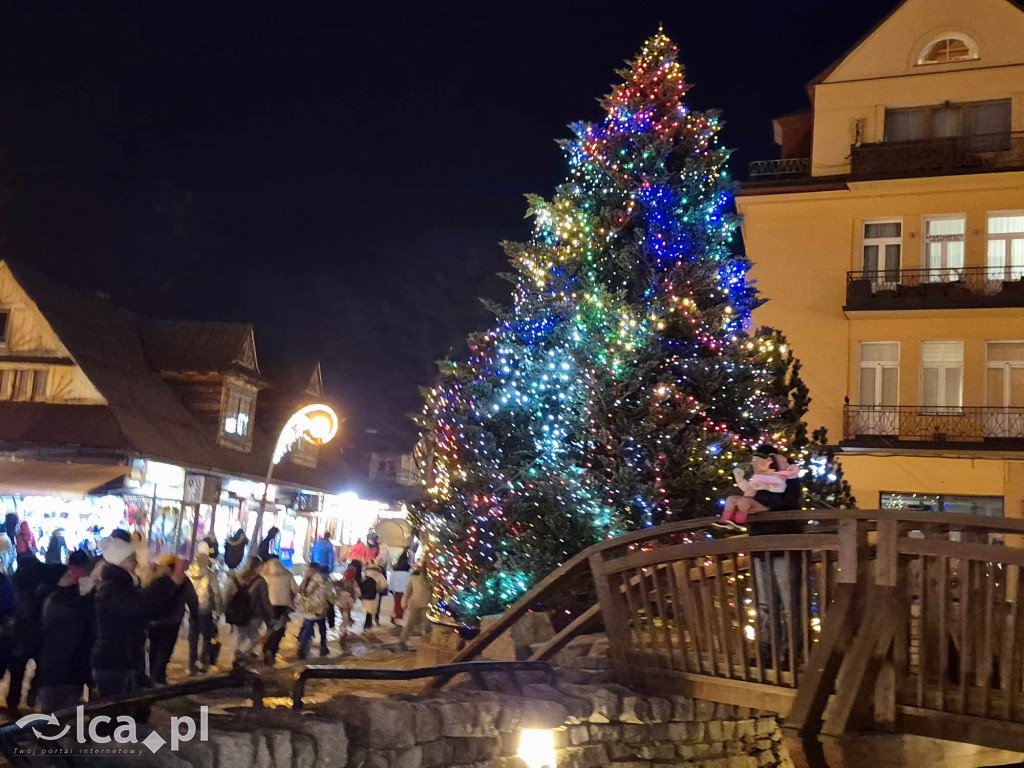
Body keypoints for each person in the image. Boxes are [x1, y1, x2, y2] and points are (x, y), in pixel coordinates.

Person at [91, 537, 184, 698]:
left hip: (122, 659)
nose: (137, 563)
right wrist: (171, 583)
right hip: (115, 661)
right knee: (114, 713)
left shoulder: (121, 586)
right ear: (121, 562)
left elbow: (145, 607)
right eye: (132, 559)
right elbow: (141, 606)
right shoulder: (113, 589)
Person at [35, 550, 95, 713]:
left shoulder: (49, 600)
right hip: (69, 669)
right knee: (65, 714)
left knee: (50, 717)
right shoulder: (72, 604)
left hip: (51, 669)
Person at [7, 554, 62, 714]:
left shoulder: (16, 584)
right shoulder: (43, 583)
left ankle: (13, 705)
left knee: (17, 674)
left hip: (21, 635)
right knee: (39, 668)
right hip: (38, 633)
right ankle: (31, 694)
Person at [714, 450, 800, 532]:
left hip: (764, 504)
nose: (753, 464)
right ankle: (725, 520)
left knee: (744, 501)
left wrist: (766, 486)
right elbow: (748, 488)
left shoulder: (776, 477)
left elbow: (780, 487)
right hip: (752, 499)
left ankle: (739, 522)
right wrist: (740, 479)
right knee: (731, 499)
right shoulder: (758, 477)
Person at [146, 554, 200, 685]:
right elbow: (192, 599)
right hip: (172, 621)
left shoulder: (155, 577)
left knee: (155, 648)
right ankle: (158, 675)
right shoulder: (183, 581)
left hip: (155, 620)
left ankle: (155, 674)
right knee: (165, 650)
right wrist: (195, 614)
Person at [223, 559, 272, 667]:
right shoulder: (260, 581)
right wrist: (270, 616)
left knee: (241, 636)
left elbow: (227, 596)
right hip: (255, 615)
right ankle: (240, 654)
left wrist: (227, 610)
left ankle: (237, 659)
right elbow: (265, 601)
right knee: (254, 638)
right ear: (258, 567)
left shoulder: (236, 579)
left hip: (238, 614)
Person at [187, 549, 221, 674]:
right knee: (207, 637)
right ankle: (203, 662)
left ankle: (191, 664)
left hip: (192, 610)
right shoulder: (210, 575)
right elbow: (216, 594)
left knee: (193, 638)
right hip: (206, 611)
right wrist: (218, 610)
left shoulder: (189, 575)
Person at [259, 554, 296, 665]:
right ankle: (272, 651)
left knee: (269, 630)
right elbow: (295, 589)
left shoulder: (264, 575)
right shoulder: (288, 574)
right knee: (279, 631)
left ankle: (265, 650)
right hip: (283, 607)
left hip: (269, 607)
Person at [296, 564, 331, 659]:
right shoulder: (318, 579)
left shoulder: (310, 579)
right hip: (318, 607)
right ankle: (323, 647)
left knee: (309, 628)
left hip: (310, 608)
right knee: (322, 629)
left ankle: (303, 647)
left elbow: (302, 592)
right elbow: (326, 593)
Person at [397, 567, 430, 652]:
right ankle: (403, 641)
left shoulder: (418, 579)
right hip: (420, 605)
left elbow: (408, 592)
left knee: (421, 625)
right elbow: (408, 592)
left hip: (420, 604)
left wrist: (405, 601)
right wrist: (405, 602)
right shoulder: (417, 579)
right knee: (418, 624)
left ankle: (423, 644)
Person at [360, 561, 388, 630]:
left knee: (366, 607)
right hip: (373, 594)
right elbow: (384, 584)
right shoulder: (378, 574)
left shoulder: (365, 573)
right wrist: (379, 589)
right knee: (371, 608)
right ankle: (369, 623)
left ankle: (367, 623)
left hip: (364, 594)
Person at [389, 549, 411, 624]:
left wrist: (391, 589)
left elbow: (391, 581)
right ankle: (398, 616)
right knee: (403, 605)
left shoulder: (395, 572)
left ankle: (395, 615)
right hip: (404, 590)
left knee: (397, 604)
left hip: (396, 590)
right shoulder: (408, 572)